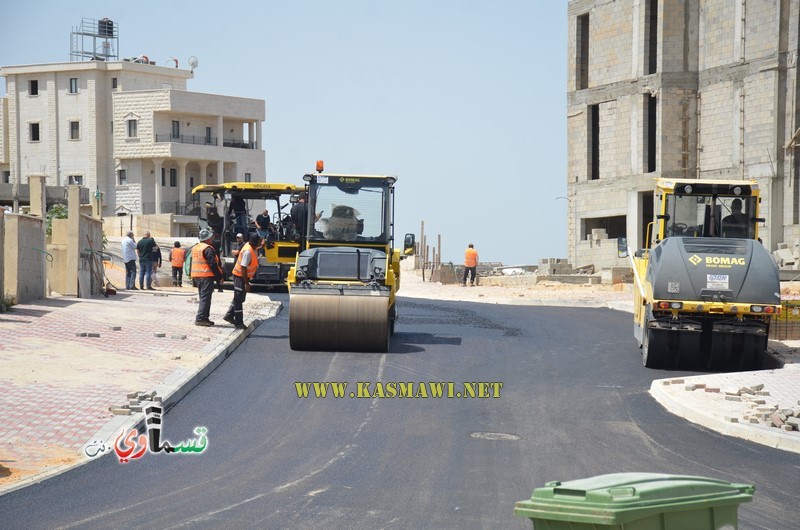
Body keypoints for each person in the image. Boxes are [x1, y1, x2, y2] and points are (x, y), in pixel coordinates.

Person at [223, 234, 263, 329]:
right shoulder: (247, 252)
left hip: (244, 277)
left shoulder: (252, 247)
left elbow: (256, 249)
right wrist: (246, 284)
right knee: (238, 299)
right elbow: (243, 267)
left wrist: (262, 245)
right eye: (259, 242)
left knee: (240, 298)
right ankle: (239, 322)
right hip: (239, 276)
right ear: (255, 242)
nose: (260, 243)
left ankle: (229, 315)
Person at [191, 228, 224, 326]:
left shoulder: (196, 247)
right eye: (211, 237)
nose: (212, 239)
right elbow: (212, 264)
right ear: (208, 239)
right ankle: (200, 318)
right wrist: (219, 277)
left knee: (203, 297)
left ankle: (205, 317)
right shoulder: (208, 248)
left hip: (197, 276)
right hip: (205, 276)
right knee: (205, 298)